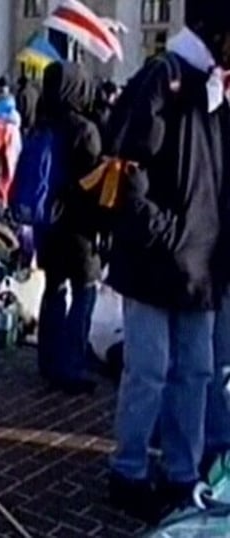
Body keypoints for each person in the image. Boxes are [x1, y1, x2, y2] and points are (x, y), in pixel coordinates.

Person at [107, 2, 230, 521]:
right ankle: (128, 470)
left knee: (196, 373)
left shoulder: (215, 89)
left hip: (201, 266)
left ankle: (181, 473)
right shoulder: (165, 77)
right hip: (158, 264)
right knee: (149, 372)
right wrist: (166, 232)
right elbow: (127, 170)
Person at [33, 62, 102, 396]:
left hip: (46, 221)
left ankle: (48, 359)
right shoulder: (84, 129)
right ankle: (72, 365)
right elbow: (93, 182)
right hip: (78, 224)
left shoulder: (41, 123)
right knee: (85, 290)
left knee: (54, 288)